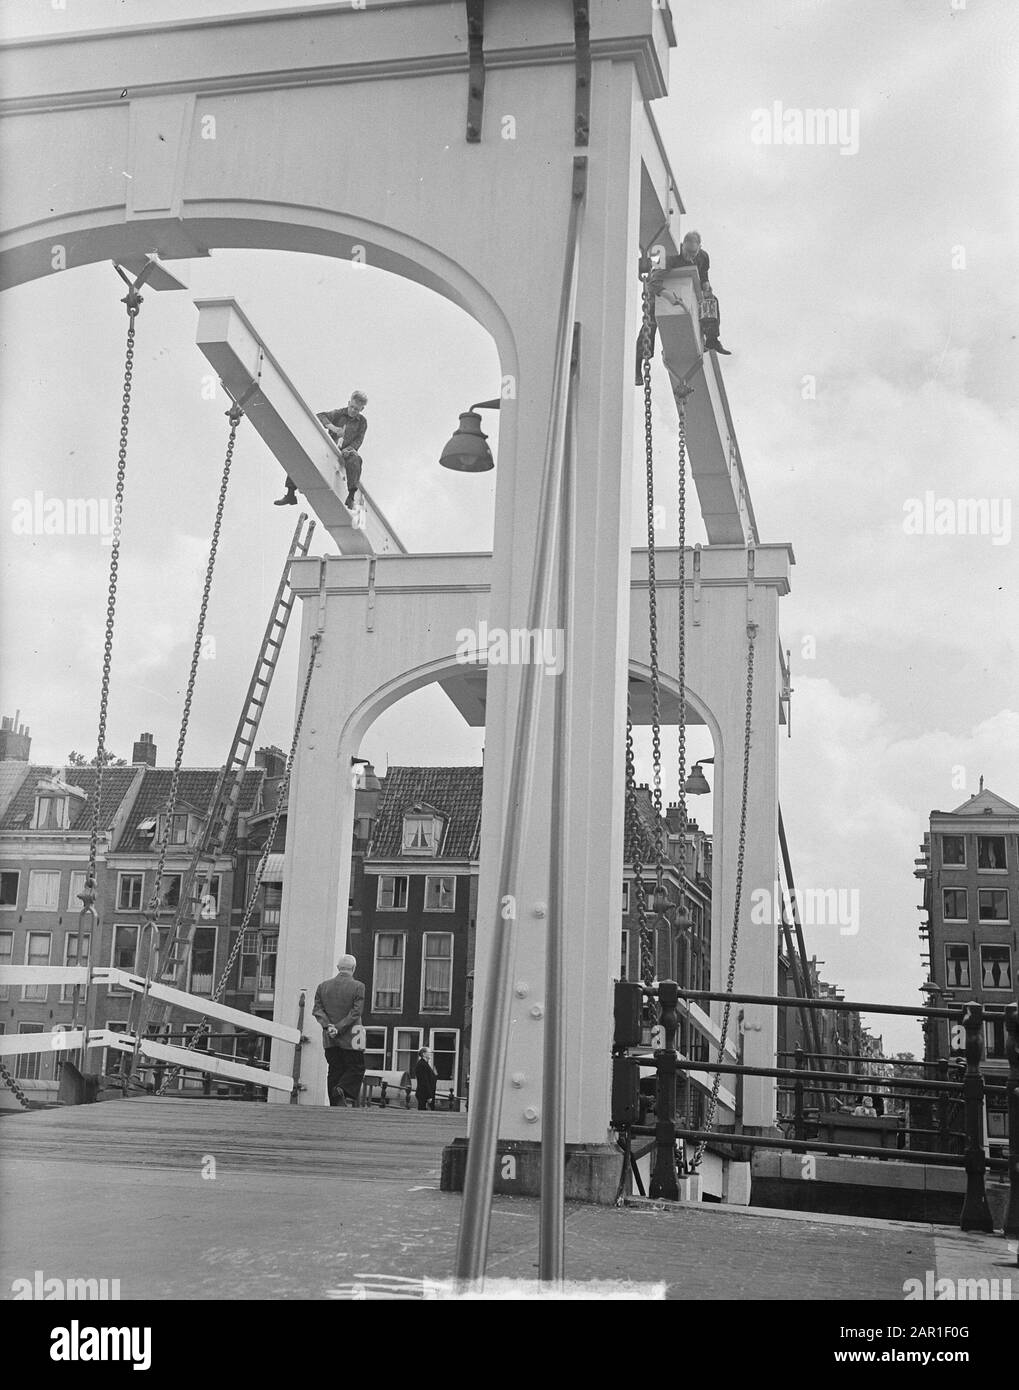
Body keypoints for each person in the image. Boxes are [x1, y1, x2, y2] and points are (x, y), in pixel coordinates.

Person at [635, 230, 730, 383]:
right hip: (661, 291)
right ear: (682, 247)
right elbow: (653, 284)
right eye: (687, 253)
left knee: (711, 301)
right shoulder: (670, 258)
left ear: (699, 248)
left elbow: (703, 275)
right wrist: (668, 296)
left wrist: (706, 286)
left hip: (685, 288)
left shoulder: (702, 257)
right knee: (650, 326)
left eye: (693, 253)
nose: (690, 257)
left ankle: (712, 339)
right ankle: (638, 365)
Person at [274, 389, 368, 509]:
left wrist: (349, 449)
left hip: (347, 453)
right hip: (330, 448)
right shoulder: (339, 413)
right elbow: (320, 416)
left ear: (362, 409)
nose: (353, 411)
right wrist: (333, 428)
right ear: (349, 403)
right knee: (303, 452)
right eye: (352, 407)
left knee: (356, 459)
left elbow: (359, 440)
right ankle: (290, 493)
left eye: (357, 409)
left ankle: (351, 496)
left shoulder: (362, 422)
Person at [312, 954, 366, 1107]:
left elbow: (317, 1010)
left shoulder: (322, 986)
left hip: (329, 1036)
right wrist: (339, 1027)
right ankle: (343, 1089)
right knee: (357, 1067)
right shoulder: (359, 986)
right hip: (354, 1035)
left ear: (338, 968)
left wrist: (328, 1025)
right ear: (354, 968)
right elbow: (356, 1012)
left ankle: (335, 1104)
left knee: (335, 1068)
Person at [414, 1047, 437, 1112]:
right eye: (429, 1052)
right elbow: (424, 1081)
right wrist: (429, 1096)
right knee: (424, 1113)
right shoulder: (421, 1064)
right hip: (424, 1095)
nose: (430, 1054)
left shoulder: (425, 1064)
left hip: (426, 1094)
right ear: (424, 1054)